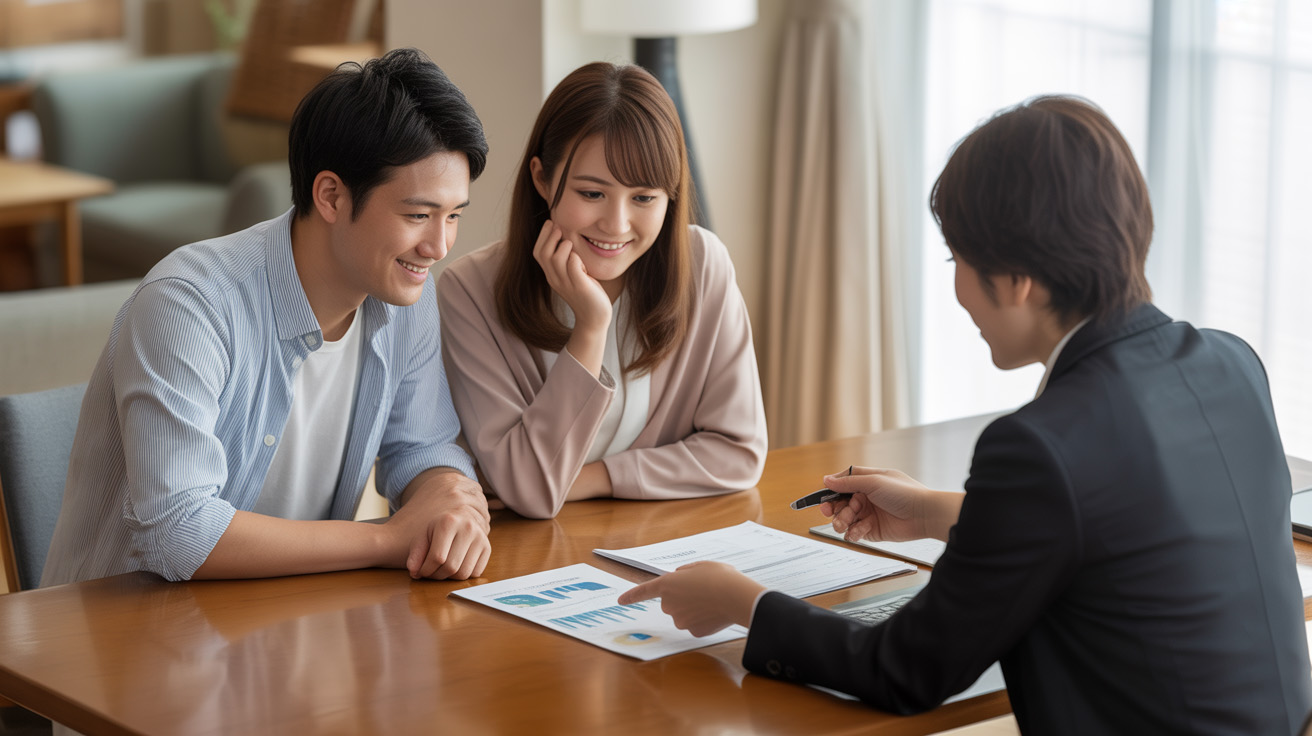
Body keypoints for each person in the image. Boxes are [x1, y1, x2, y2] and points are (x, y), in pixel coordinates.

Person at [621, 96, 1312, 733]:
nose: (956, 288)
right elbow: (1118, 525)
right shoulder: (1230, 364)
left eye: (958, 258)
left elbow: (906, 670)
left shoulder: (1039, 448)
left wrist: (742, 602)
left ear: (1017, 279)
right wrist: (932, 512)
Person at [42, 48, 492, 586]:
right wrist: (387, 539)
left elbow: (424, 447)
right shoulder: (189, 304)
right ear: (331, 196)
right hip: (126, 625)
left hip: (288, 613)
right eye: (418, 215)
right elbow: (179, 530)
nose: (438, 246)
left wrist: (450, 499)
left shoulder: (404, 297)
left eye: (453, 216)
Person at [436, 62, 767, 520]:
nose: (616, 224)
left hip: (653, 539)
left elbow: (739, 452)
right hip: (520, 553)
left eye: (644, 198)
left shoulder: (703, 265)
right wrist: (590, 328)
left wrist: (589, 480)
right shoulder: (469, 291)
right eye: (592, 194)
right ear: (542, 179)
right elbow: (530, 491)